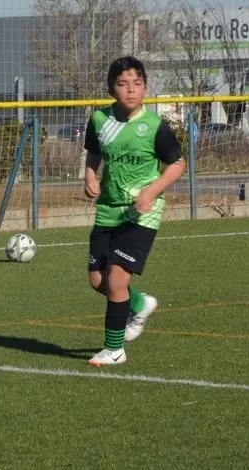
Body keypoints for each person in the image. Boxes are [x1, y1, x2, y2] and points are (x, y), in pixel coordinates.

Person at [82, 55, 185, 367]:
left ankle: (114, 349)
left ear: (145, 88)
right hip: (108, 209)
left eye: (137, 84)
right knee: (98, 280)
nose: (130, 90)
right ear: (111, 89)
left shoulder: (154, 126)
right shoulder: (99, 120)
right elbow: (94, 153)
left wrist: (151, 191)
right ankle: (139, 304)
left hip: (141, 213)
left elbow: (178, 164)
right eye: (123, 84)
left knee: (116, 279)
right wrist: (90, 176)